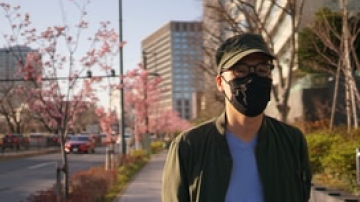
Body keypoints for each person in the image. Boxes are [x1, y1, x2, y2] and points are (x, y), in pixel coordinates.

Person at [162, 33, 312, 202]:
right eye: (241, 71)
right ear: (220, 83)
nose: (253, 78)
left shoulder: (291, 141)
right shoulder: (189, 146)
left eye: (262, 70)